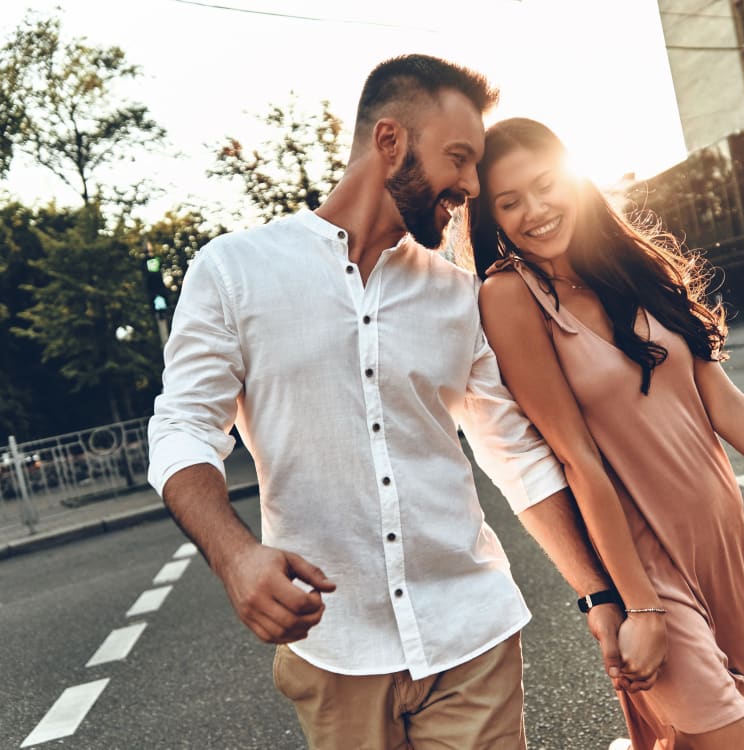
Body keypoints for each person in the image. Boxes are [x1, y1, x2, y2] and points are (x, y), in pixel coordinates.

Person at [147, 57, 653, 750]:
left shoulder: (456, 294)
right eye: (459, 159)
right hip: (335, 649)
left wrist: (598, 595)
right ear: (390, 143)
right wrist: (235, 555)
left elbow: (516, 457)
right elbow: (182, 430)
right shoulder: (234, 272)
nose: (472, 186)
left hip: (471, 633)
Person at [468, 117, 744, 750]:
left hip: (719, 539)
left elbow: (723, 403)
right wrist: (636, 604)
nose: (534, 210)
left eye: (544, 185)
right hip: (643, 557)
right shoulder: (510, 296)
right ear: (494, 219)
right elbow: (576, 458)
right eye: (510, 203)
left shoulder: (631, 269)